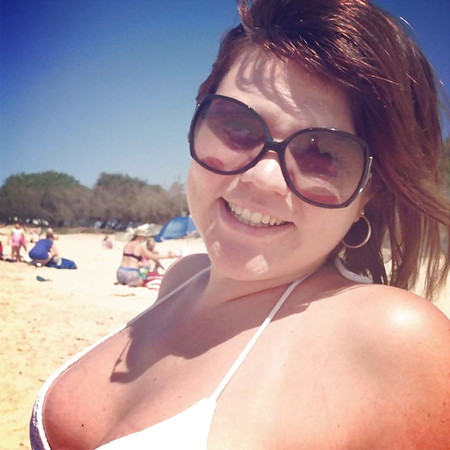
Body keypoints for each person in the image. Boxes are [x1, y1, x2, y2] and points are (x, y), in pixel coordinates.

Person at [30, 0, 449, 448]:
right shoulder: (181, 278)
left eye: (323, 155)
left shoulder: (395, 339)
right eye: (238, 126)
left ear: (371, 191)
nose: (262, 178)